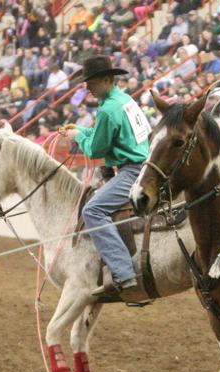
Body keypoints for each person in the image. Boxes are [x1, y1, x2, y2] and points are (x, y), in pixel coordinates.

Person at [63, 56, 152, 297]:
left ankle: (123, 271)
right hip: (144, 165)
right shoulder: (124, 100)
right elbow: (103, 134)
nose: (87, 87)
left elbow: (95, 150)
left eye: (91, 82)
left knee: (92, 211)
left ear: (106, 80)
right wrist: (82, 130)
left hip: (132, 170)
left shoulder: (107, 110)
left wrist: (78, 138)